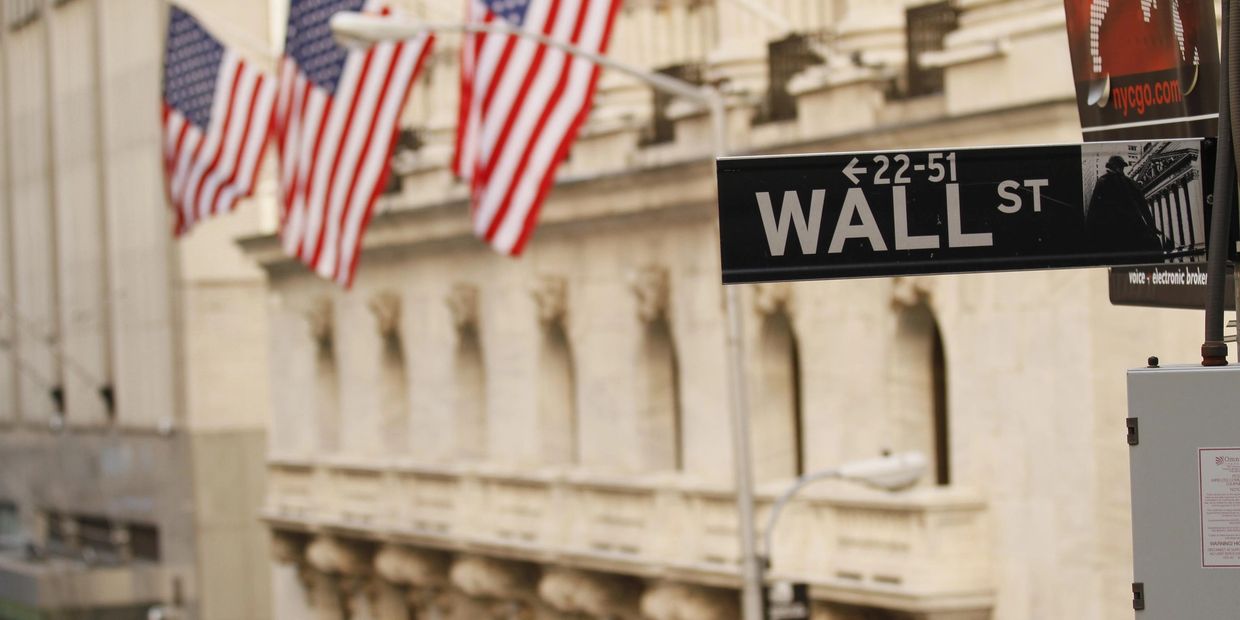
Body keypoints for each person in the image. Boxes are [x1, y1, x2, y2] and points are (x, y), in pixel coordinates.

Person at [1085, 155, 1168, 253]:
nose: (1121, 169)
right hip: (1133, 229)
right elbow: (1144, 208)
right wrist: (1152, 227)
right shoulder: (1130, 182)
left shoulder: (1103, 181)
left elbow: (1093, 210)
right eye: (1120, 166)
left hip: (1112, 232)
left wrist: (1089, 232)